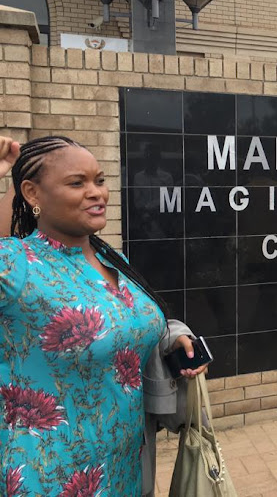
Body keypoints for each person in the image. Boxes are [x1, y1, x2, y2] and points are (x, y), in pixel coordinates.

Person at [0, 135, 206, 496]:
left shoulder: (114, 260)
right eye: (77, 183)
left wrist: (172, 339)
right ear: (33, 195)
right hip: (46, 473)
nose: (97, 192)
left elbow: (131, 324)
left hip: (125, 463)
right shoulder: (18, 266)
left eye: (99, 180)